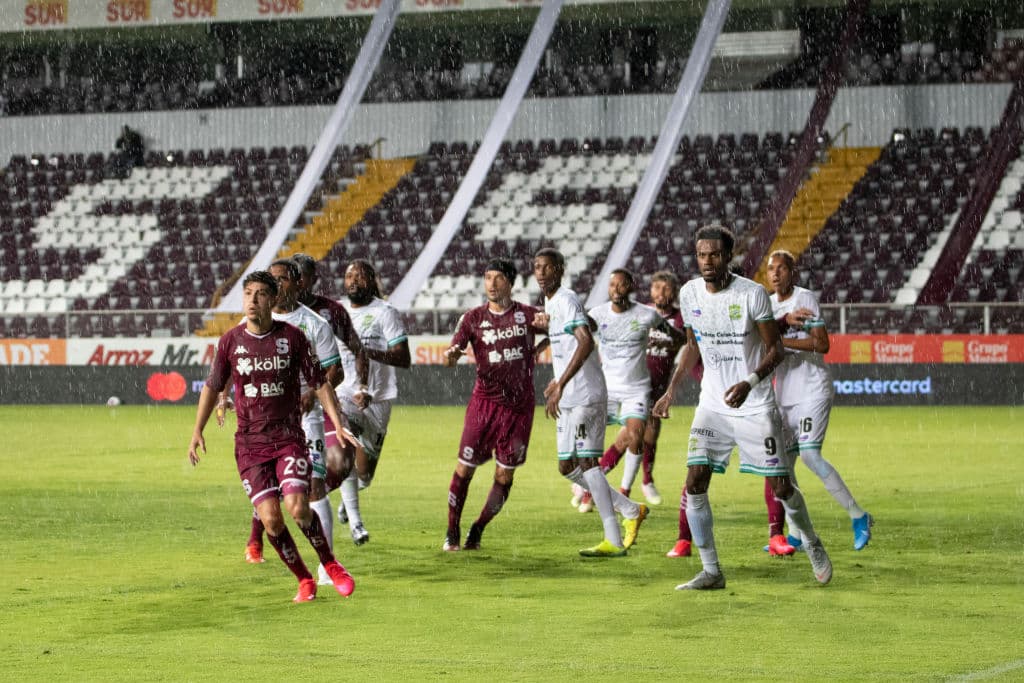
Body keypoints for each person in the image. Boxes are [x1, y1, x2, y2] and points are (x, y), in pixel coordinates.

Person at [653, 225, 832, 590]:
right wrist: (671, 391)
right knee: (695, 482)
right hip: (713, 406)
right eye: (701, 254)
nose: (706, 261)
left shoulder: (752, 294)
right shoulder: (689, 293)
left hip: (754, 405)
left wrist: (749, 383)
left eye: (714, 254)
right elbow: (692, 345)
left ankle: (812, 542)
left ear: (728, 256)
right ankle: (711, 571)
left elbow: (776, 349)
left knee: (781, 486)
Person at [188, 270, 358, 603]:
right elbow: (212, 386)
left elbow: (320, 382)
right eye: (247, 293)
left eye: (259, 294)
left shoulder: (293, 337)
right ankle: (304, 579)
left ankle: (330, 564)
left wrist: (336, 422)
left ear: (273, 299)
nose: (252, 300)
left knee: (297, 507)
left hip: (288, 438)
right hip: (250, 446)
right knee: (271, 521)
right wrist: (197, 430)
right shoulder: (230, 342)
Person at [236, 259, 347, 585]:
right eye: (272, 280)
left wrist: (312, 396)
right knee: (270, 485)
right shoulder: (250, 321)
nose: (277, 284)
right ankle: (257, 537)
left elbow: (334, 370)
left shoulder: (313, 325)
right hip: (262, 421)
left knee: (311, 487)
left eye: (282, 279)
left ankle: (327, 567)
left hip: (305, 419)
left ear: (296, 284)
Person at [533, 248, 647, 557]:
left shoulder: (566, 299)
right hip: (569, 397)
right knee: (567, 467)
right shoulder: (551, 303)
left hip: (585, 394)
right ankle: (631, 509)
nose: (541, 273)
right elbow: (571, 339)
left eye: (547, 267)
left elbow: (585, 341)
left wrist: (561, 382)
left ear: (560, 270)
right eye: (537, 267)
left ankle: (613, 539)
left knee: (587, 462)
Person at [767, 249, 873, 551]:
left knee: (811, 456)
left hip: (813, 389)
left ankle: (859, 516)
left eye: (782, 268)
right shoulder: (769, 305)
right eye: (771, 269)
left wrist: (778, 340)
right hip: (784, 394)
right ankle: (797, 534)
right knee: (781, 468)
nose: (775, 274)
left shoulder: (804, 299)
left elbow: (822, 343)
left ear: (792, 272)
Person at [442, 259, 544, 551]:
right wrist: (451, 357)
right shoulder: (472, 318)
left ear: (510, 283)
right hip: (484, 405)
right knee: (465, 468)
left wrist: (541, 347)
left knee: (504, 474)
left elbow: (562, 329)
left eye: (499, 278)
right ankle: (452, 530)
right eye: (488, 277)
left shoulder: (528, 315)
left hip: (519, 409)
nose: (492, 283)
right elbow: (452, 355)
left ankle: (478, 528)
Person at [323, 259, 410, 545]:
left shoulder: (385, 313)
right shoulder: (335, 312)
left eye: (360, 276)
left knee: (365, 473)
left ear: (371, 281)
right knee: (344, 446)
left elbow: (403, 358)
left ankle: (349, 500)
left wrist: (367, 351)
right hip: (345, 393)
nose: (353, 281)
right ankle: (357, 524)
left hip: (379, 398)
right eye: (349, 276)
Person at [587, 268, 685, 512]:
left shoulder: (675, 318)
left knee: (643, 437)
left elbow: (684, 340)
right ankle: (599, 486)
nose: (661, 292)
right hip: (621, 384)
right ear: (649, 290)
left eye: (666, 288)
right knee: (626, 438)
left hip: (652, 389)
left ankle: (639, 483)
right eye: (656, 287)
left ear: (674, 292)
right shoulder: (639, 313)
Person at [291, 253, 370, 554]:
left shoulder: (328, 312)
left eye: (302, 276)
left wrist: (359, 385)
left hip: (321, 399)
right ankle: (262, 526)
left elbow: (358, 351)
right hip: (282, 403)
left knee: (343, 459)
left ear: (313, 279)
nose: (297, 282)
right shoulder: (272, 312)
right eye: (291, 276)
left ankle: (312, 495)